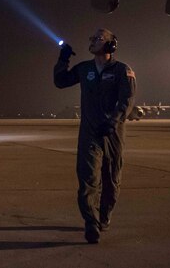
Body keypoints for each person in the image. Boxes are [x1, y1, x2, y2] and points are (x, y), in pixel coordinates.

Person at [53, 28, 136, 244]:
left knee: (111, 179)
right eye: (92, 38)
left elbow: (127, 100)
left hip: (113, 133)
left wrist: (114, 121)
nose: (93, 41)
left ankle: (104, 217)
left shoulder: (122, 70)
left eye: (98, 39)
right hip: (89, 132)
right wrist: (63, 59)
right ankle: (91, 222)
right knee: (88, 178)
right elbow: (60, 81)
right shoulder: (85, 69)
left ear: (110, 44)